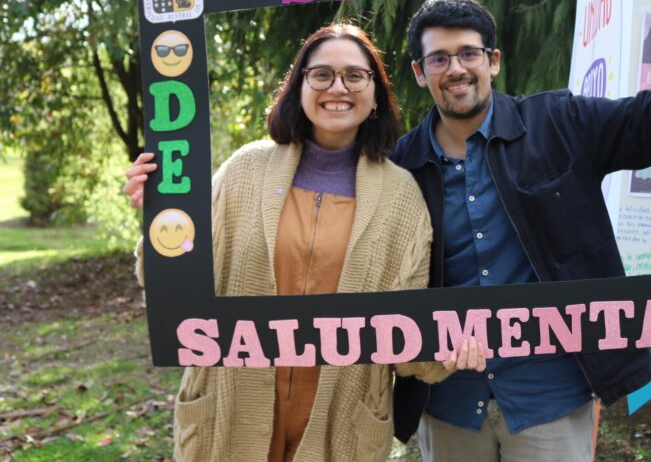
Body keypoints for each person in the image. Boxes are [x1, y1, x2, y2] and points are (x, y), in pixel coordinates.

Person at [389, 0, 651, 462]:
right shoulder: (401, 167)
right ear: (420, 72)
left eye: (469, 53)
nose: (456, 68)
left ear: (493, 62)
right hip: (449, 404)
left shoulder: (558, 122)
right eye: (439, 58)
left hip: (551, 398)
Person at [124, 24, 485, 462]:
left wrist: (449, 348)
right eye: (322, 74)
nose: (338, 88)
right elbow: (178, 288)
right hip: (229, 415)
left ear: (375, 94)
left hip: (341, 429)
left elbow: (403, 335)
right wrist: (162, 219)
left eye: (355, 76)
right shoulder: (244, 171)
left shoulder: (401, 197)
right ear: (299, 86)